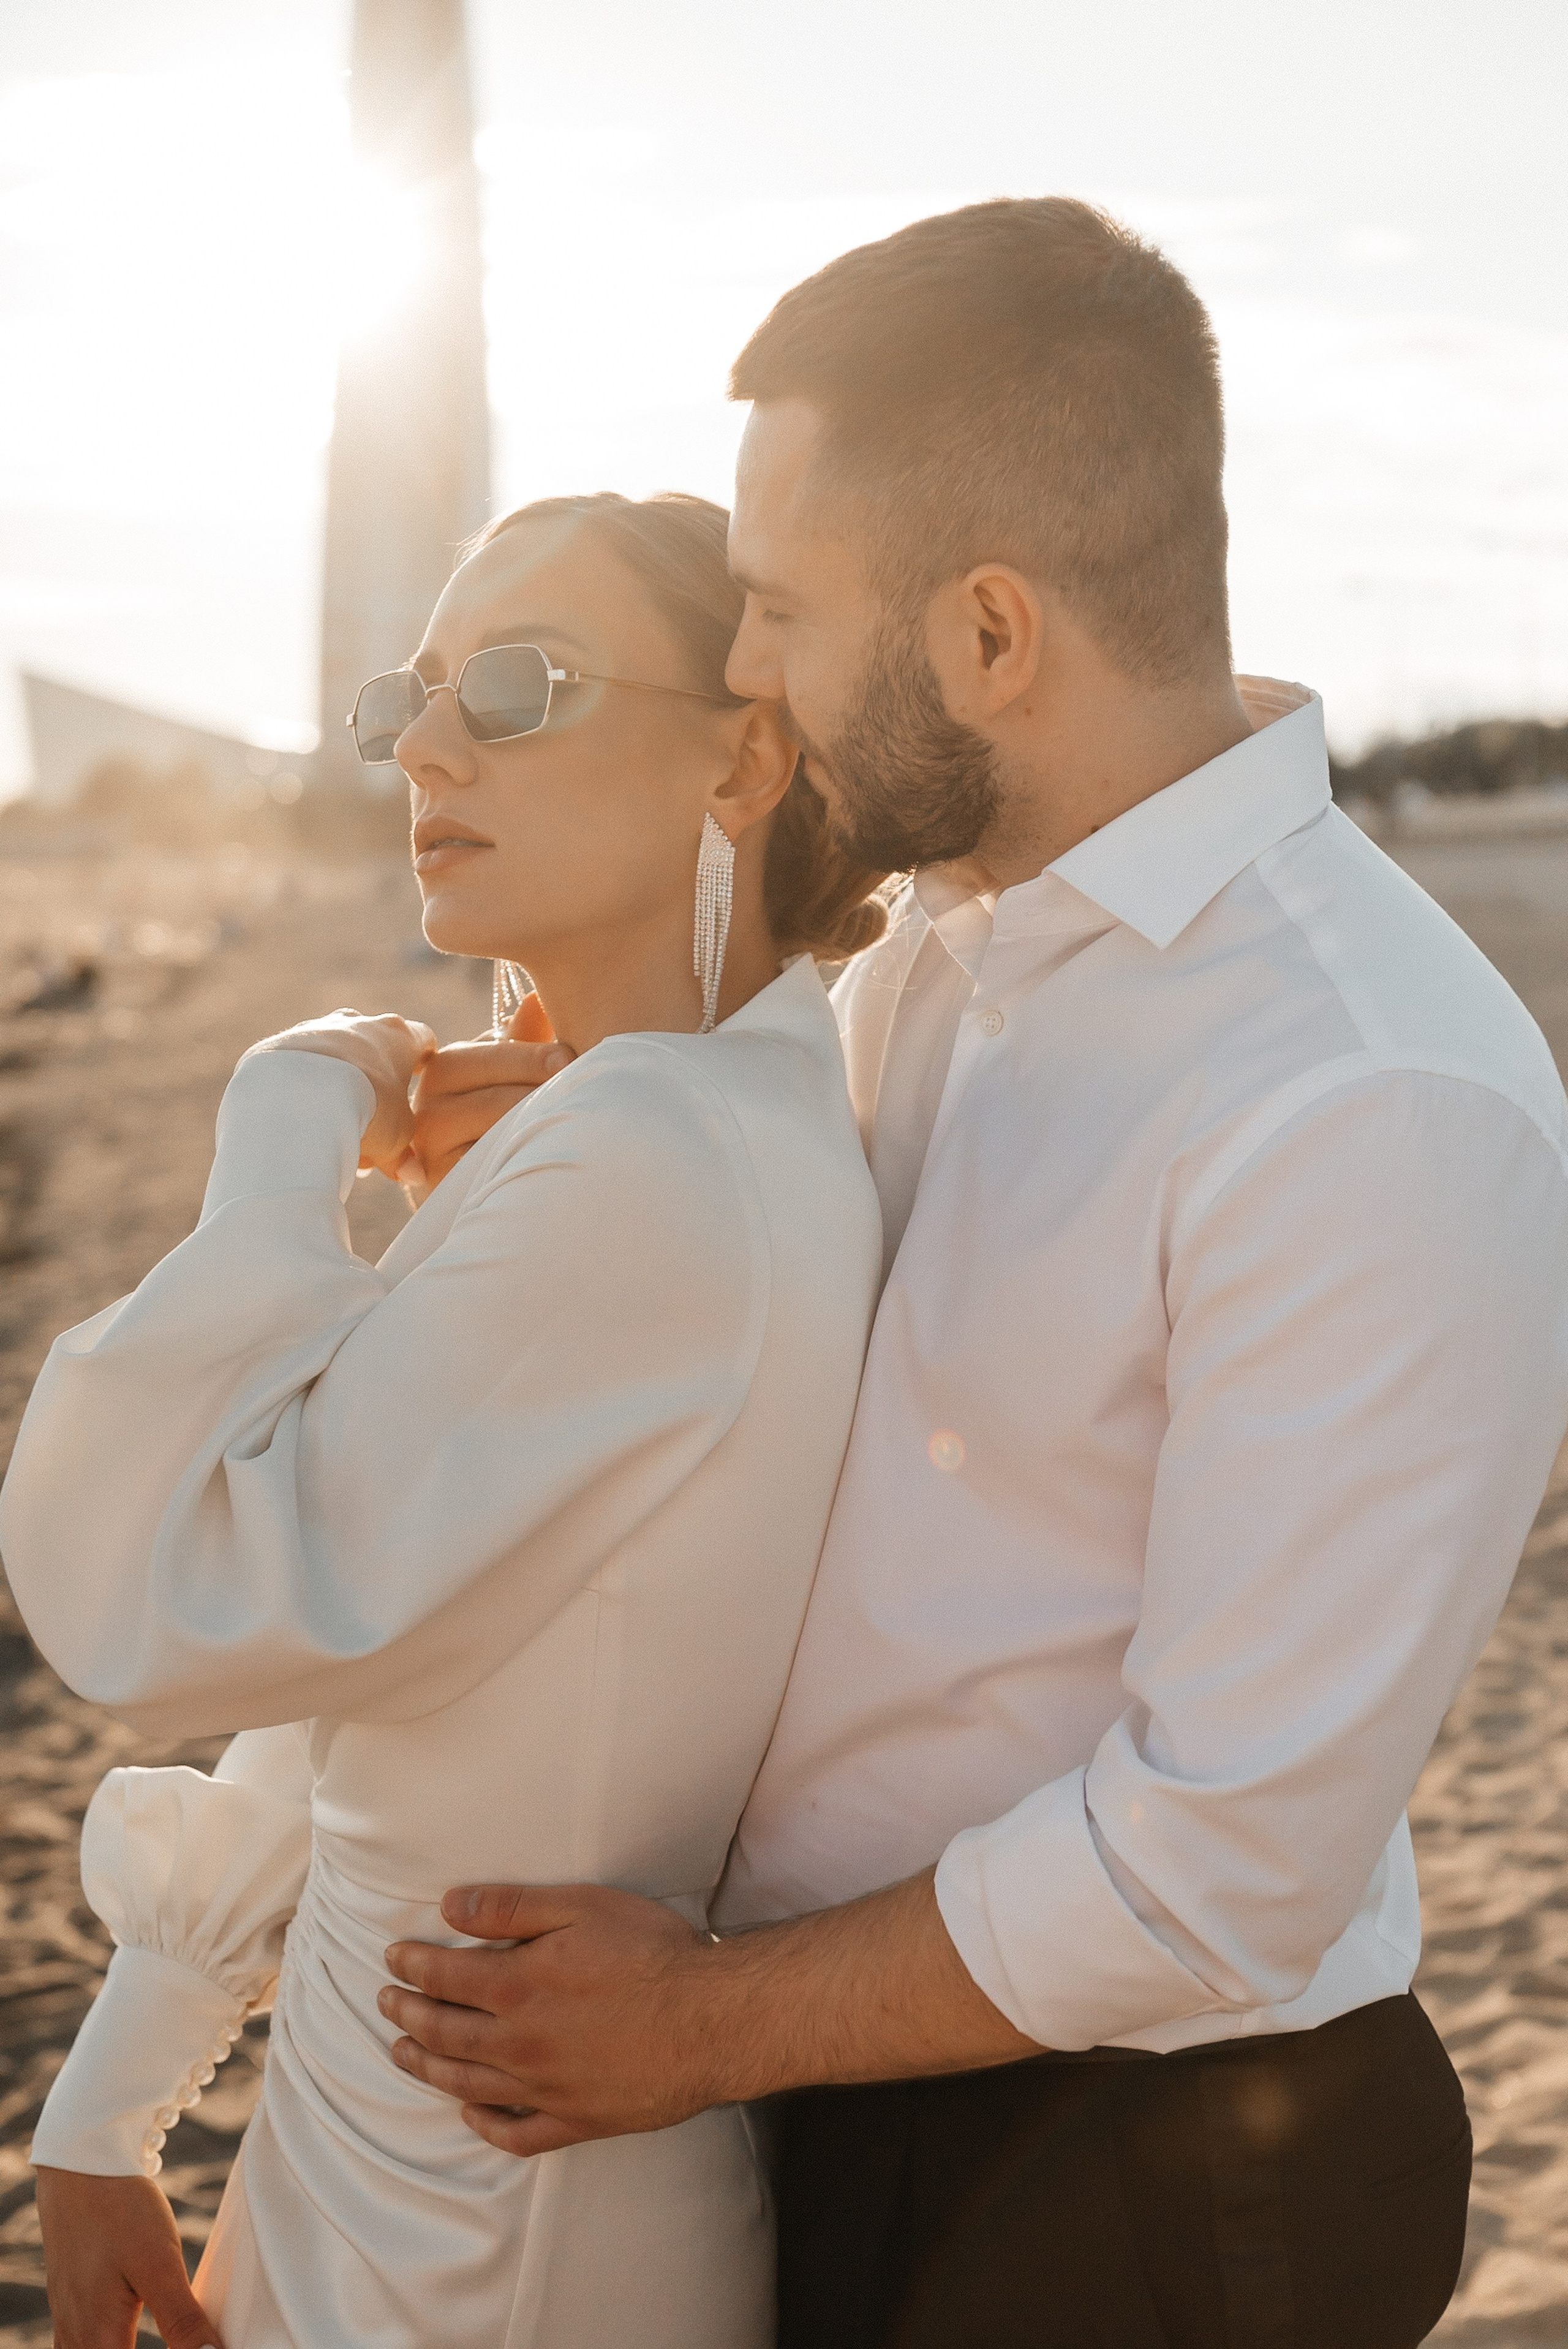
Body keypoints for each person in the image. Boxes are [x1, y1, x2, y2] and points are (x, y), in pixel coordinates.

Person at [371, 202, 1568, 2347]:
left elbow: (1218, 1869)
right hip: (821, 2084)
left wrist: (702, 2028)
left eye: (774, 613)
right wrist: (602, 1120)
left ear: (993, 634)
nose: (743, 673)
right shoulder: (937, 930)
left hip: (1163, 2183)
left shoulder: (1372, 1089)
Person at [3, 491, 886, 2348]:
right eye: (414, 689)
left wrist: (279, 1128)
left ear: (743, 755)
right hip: (412, 2143)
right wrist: (128, 2073)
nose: (421, 740)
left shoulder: (657, 1159)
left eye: (517, 681)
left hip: (484, 2213)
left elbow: (175, 1586)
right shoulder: (683, 1117)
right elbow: (386, 1654)